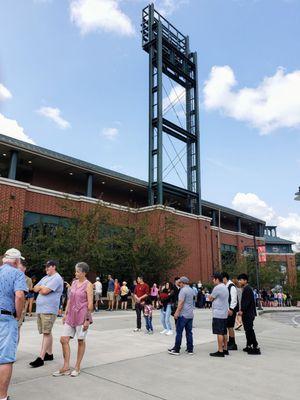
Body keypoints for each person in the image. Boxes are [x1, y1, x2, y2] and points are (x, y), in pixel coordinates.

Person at [53, 262, 93, 377]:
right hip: (71, 315)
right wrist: (65, 313)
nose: (75, 273)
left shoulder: (88, 285)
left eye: (77, 271)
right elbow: (70, 299)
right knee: (63, 339)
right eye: (75, 271)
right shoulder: (74, 283)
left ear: (84, 273)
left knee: (80, 341)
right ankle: (65, 367)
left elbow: (90, 304)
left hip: (82, 315)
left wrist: (87, 319)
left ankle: (77, 367)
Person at [0, 248, 27, 400]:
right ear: (16, 261)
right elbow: (19, 295)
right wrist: (18, 313)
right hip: (5, 318)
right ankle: (2, 397)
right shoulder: (17, 274)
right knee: (5, 358)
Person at [29, 260, 63, 368]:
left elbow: (44, 291)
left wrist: (41, 288)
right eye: (46, 267)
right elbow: (34, 288)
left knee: (46, 333)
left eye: (48, 267)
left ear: (54, 267)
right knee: (47, 332)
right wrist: (40, 288)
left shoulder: (57, 278)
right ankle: (49, 354)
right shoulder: (45, 278)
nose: (46, 269)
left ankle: (41, 358)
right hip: (41, 309)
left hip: (49, 309)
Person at [168, 276, 194, 355]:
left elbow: (181, 302)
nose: (179, 284)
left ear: (182, 283)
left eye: (180, 283)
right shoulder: (191, 290)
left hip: (183, 315)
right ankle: (190, 349)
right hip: (190, 314)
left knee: (179, 332)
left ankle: (177, 349)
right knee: (189, 332)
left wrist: (176, 312)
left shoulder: (183, 291)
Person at [237, 273, 261, 355]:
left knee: (250, 330)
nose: (239, 282)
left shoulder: (247, 289)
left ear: (245, 281)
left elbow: (246, 302)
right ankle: (249, 345)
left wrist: (241, 310)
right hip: (248, 313)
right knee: (247, 330)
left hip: (248, 313)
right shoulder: (246, 288)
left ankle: (255, 346)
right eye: (239, 280)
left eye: (240, 280)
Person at [209, 272, 229, 357]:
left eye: (213, 279)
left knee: (219, 332)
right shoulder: (225, 287)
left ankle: (220, 350)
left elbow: (210, 298)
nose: (213, 280)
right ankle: (225, 349)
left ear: (217, 279)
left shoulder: (217, 288)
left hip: (218, 313)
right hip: (224, 313)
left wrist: (211, 297)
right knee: (224, 332)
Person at [222, 272, 239, 350]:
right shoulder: (227, 286)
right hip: (228, 309)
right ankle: (230, 342)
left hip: (231, 310)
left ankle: (233, 343)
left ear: (225, 278)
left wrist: (231, 309)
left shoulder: (231, 286)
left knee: (230, 326)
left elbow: (234, 299)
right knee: (228, 326)